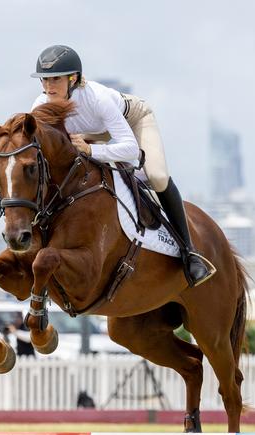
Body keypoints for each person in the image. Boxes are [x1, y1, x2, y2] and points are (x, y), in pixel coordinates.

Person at [30, 45, 215, 287]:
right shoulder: (40, 106)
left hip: (133, 121)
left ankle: (189, 253)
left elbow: (129, 149)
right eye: (44, 79)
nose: (48, 86)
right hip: (92, 134)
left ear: (73, 78)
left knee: (157, 177)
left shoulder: (97, 98)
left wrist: (91, 150)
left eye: (55, 79)